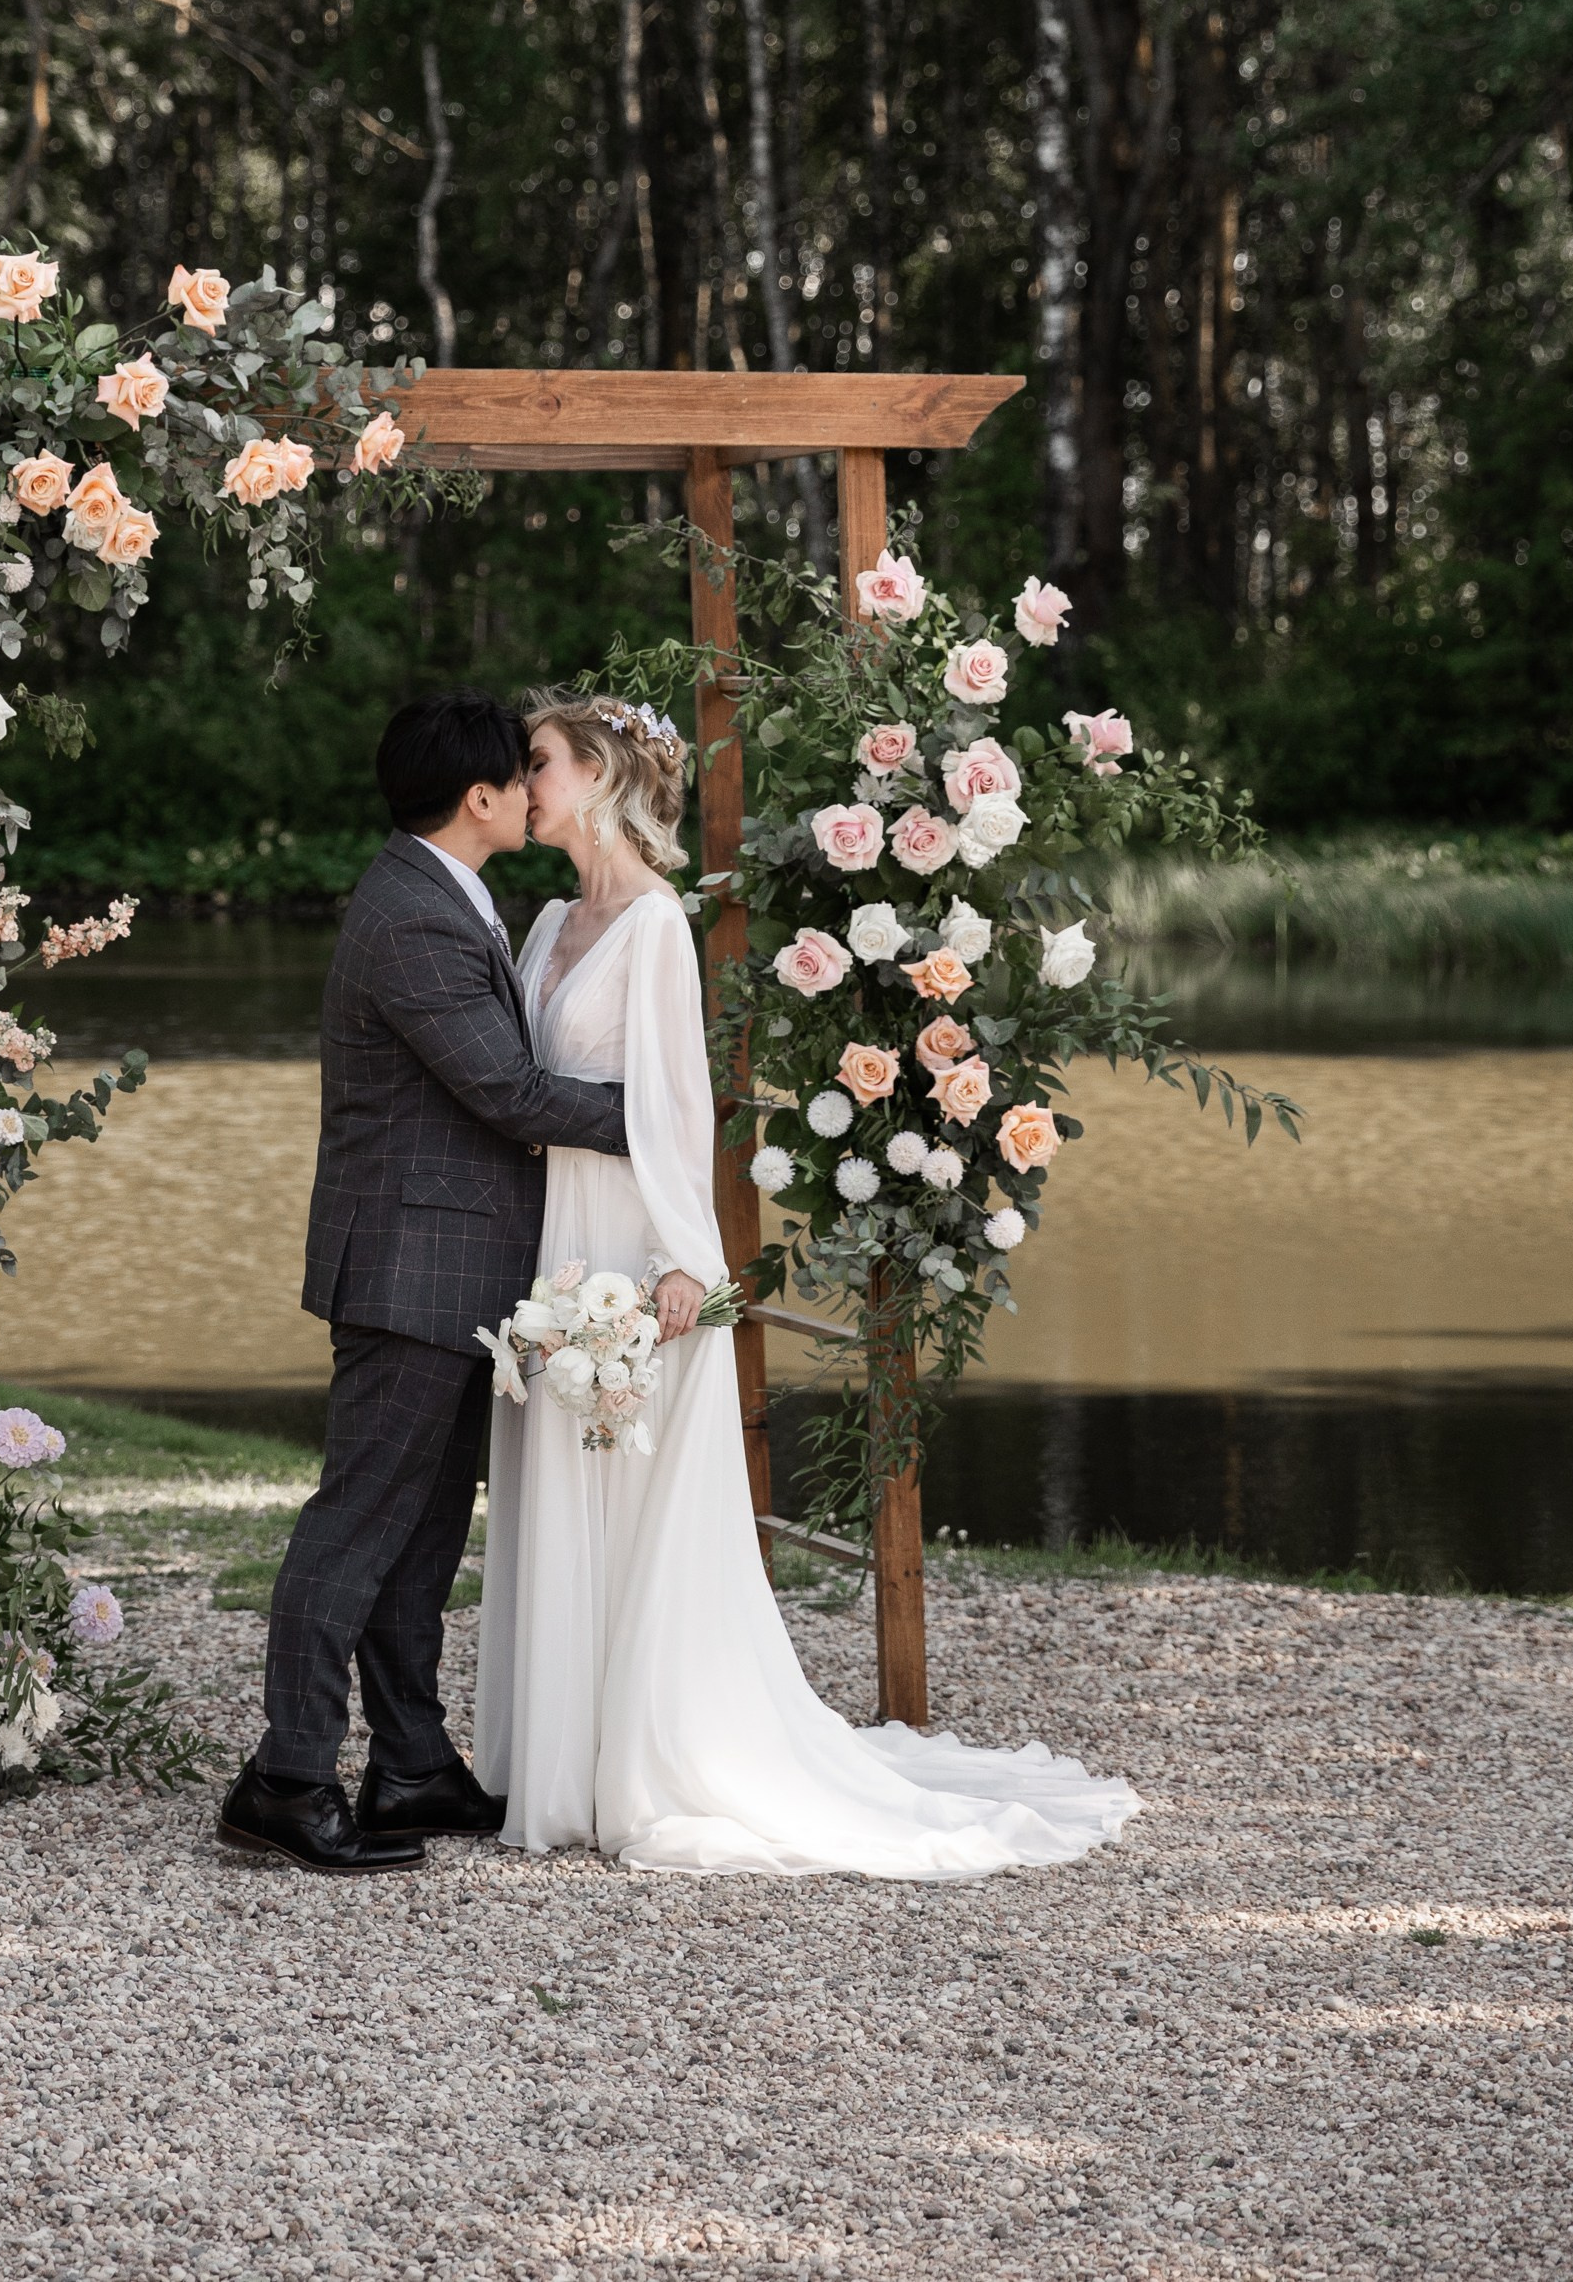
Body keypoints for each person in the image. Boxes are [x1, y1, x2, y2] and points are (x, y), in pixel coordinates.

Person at [474, 692, 1141, 1878]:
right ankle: (554, 1758)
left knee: (625, 1485)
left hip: (631, 1239)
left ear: (599, 772)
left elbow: (680, 1108)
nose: (519, 780)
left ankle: (637, 1754)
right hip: (552, 1236)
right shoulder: (542, 922)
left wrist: (687, 1260)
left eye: (536, 761)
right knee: (555, 1476)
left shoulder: (655, 928)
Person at [219, 689, 633, 1875]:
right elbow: (505, 1090)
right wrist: (660, 1113)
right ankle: (286, 1777)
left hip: (452, 1268)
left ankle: (408, 1763)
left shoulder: (450, 896)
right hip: (407, 1268)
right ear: (481, 797)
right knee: (355, 1526)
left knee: (419, 1538)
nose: (534, 786)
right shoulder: (413, 916)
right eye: (522, 772)